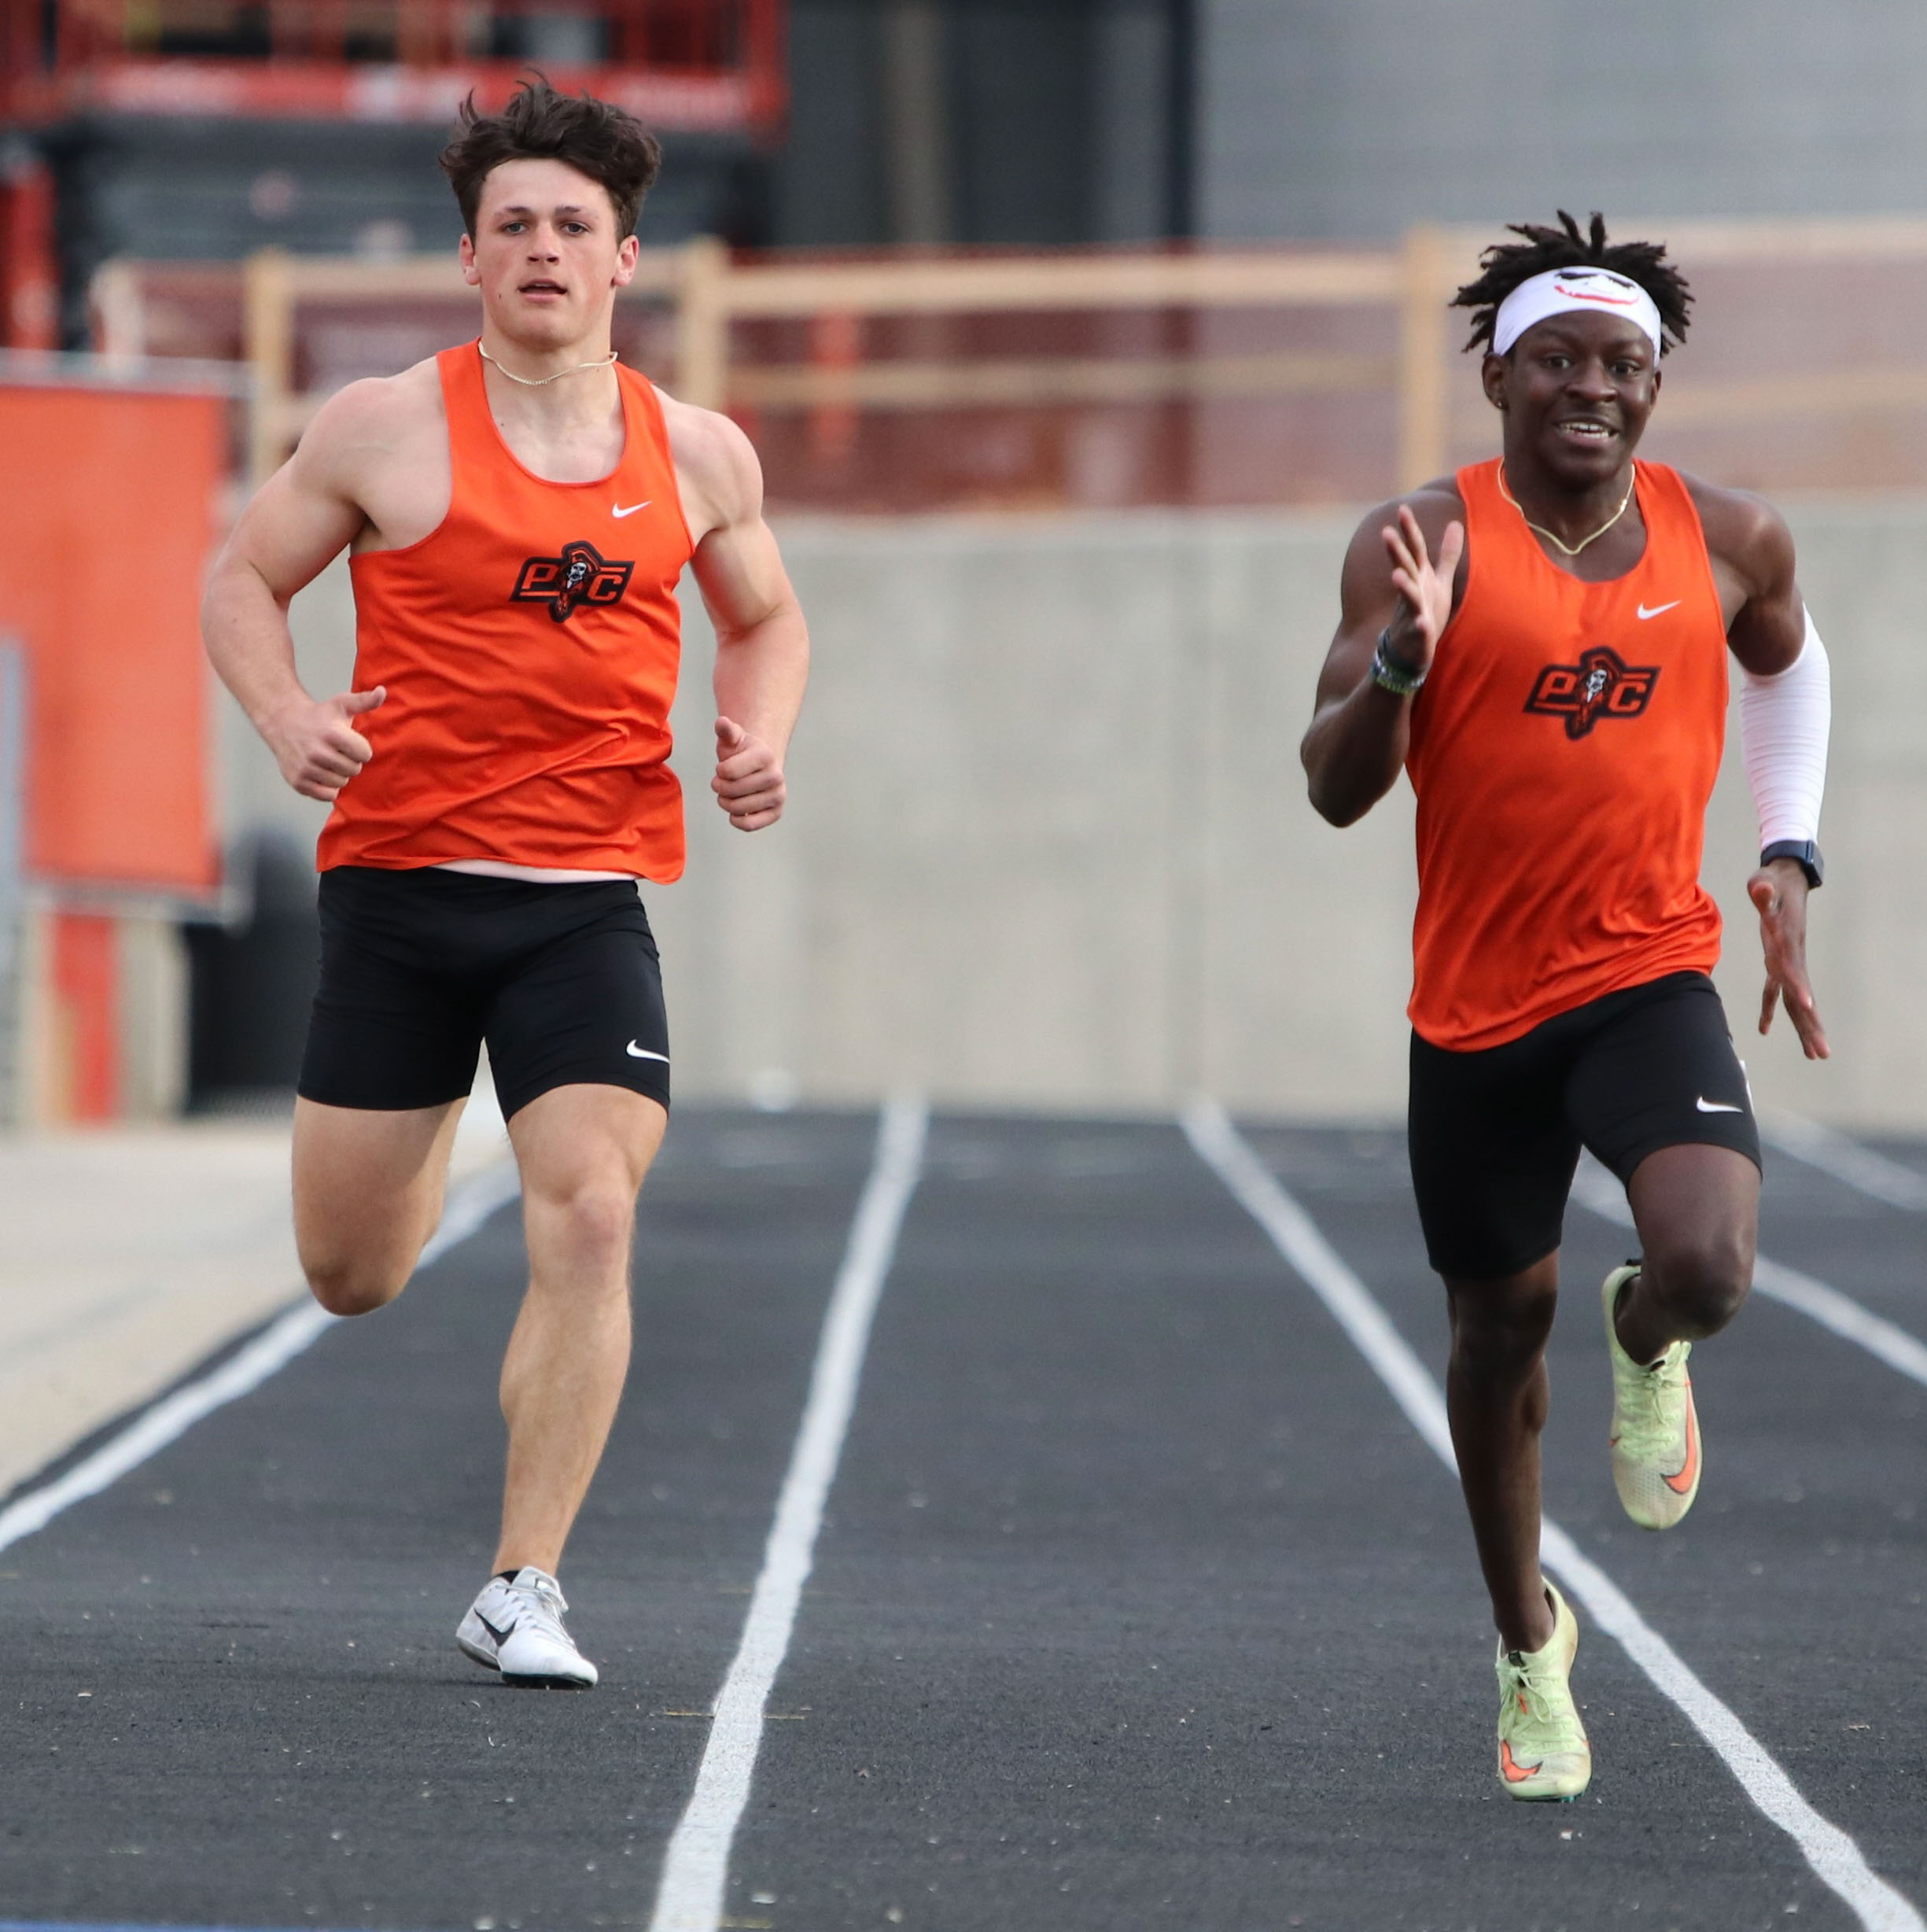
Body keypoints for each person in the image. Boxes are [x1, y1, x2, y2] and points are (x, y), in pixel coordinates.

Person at [202, 79, 808, 1689]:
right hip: (398, 893)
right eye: (514, 224)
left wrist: (758, 732)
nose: (544, 247)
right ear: (470, 259)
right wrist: (286, 714)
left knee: (595, 1213)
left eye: (573, 225)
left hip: (582, 900)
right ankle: (432, 1146)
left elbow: (765, 617)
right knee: (351, 1276)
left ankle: (521, 1583)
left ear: (624, 259)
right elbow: (242, 577)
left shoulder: (697, 453)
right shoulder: (383, 426)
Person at [1301, 212, 1830, 1799]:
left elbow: (1789, 666)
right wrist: (1402, 665)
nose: (1591, 387)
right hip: (1476, 1011)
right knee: (1492, 1334)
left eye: (1621, 364)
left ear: (1654, 385)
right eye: (1556, 360)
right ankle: (1528, 1638)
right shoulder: (1419, 540)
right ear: (1497, 376)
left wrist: (1788, 852)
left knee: (1707, 1263)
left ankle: (1643, 1333)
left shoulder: (1728, 537)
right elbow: (1332, 788)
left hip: (1645, 968)